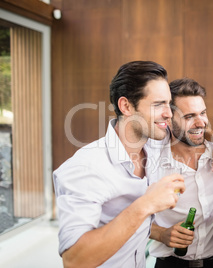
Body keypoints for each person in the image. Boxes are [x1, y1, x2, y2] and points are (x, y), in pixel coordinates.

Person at [53, 61, 186, 267]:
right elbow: (74, 260)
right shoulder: (85, 168)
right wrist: (146, 204)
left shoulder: (154, 142)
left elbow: (195, 128)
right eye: (158, 104)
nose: (169, 113)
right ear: (126, 106)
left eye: (169, 103)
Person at [147, 78, 213, 268]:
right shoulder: (150, 157)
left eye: (203, 113)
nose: (201, 122)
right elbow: (127, 212)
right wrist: (160, 234)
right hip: (170, 264)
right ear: (168, 118)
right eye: (189, 116)